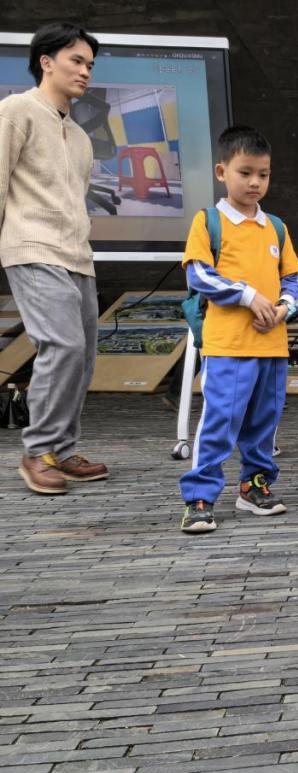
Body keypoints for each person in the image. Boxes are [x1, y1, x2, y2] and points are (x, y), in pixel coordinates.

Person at [178, 126, 298, 533]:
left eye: (263, 174)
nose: (255, 182)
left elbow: (294, 281)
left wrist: (283, 309)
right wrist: (248, 296)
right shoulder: (208, 221)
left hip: (272, 347)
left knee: (264, 423)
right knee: (220, 421)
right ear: (221, 172)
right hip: (228, 346)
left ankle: (254, 486)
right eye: (245, 172)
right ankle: (199, 498)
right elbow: (199, 275)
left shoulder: (276, 227)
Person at [0, 23, 106, 495]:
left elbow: (75, 202)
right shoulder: (15, 111)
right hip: (31, 247)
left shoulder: (80, 137)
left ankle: (60, 450)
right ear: (46, 62)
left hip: (76, 256)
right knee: (61, 345)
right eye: (76, 61)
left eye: (89, 65)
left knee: (81, 356)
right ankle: (37, 451)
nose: (85, 71)